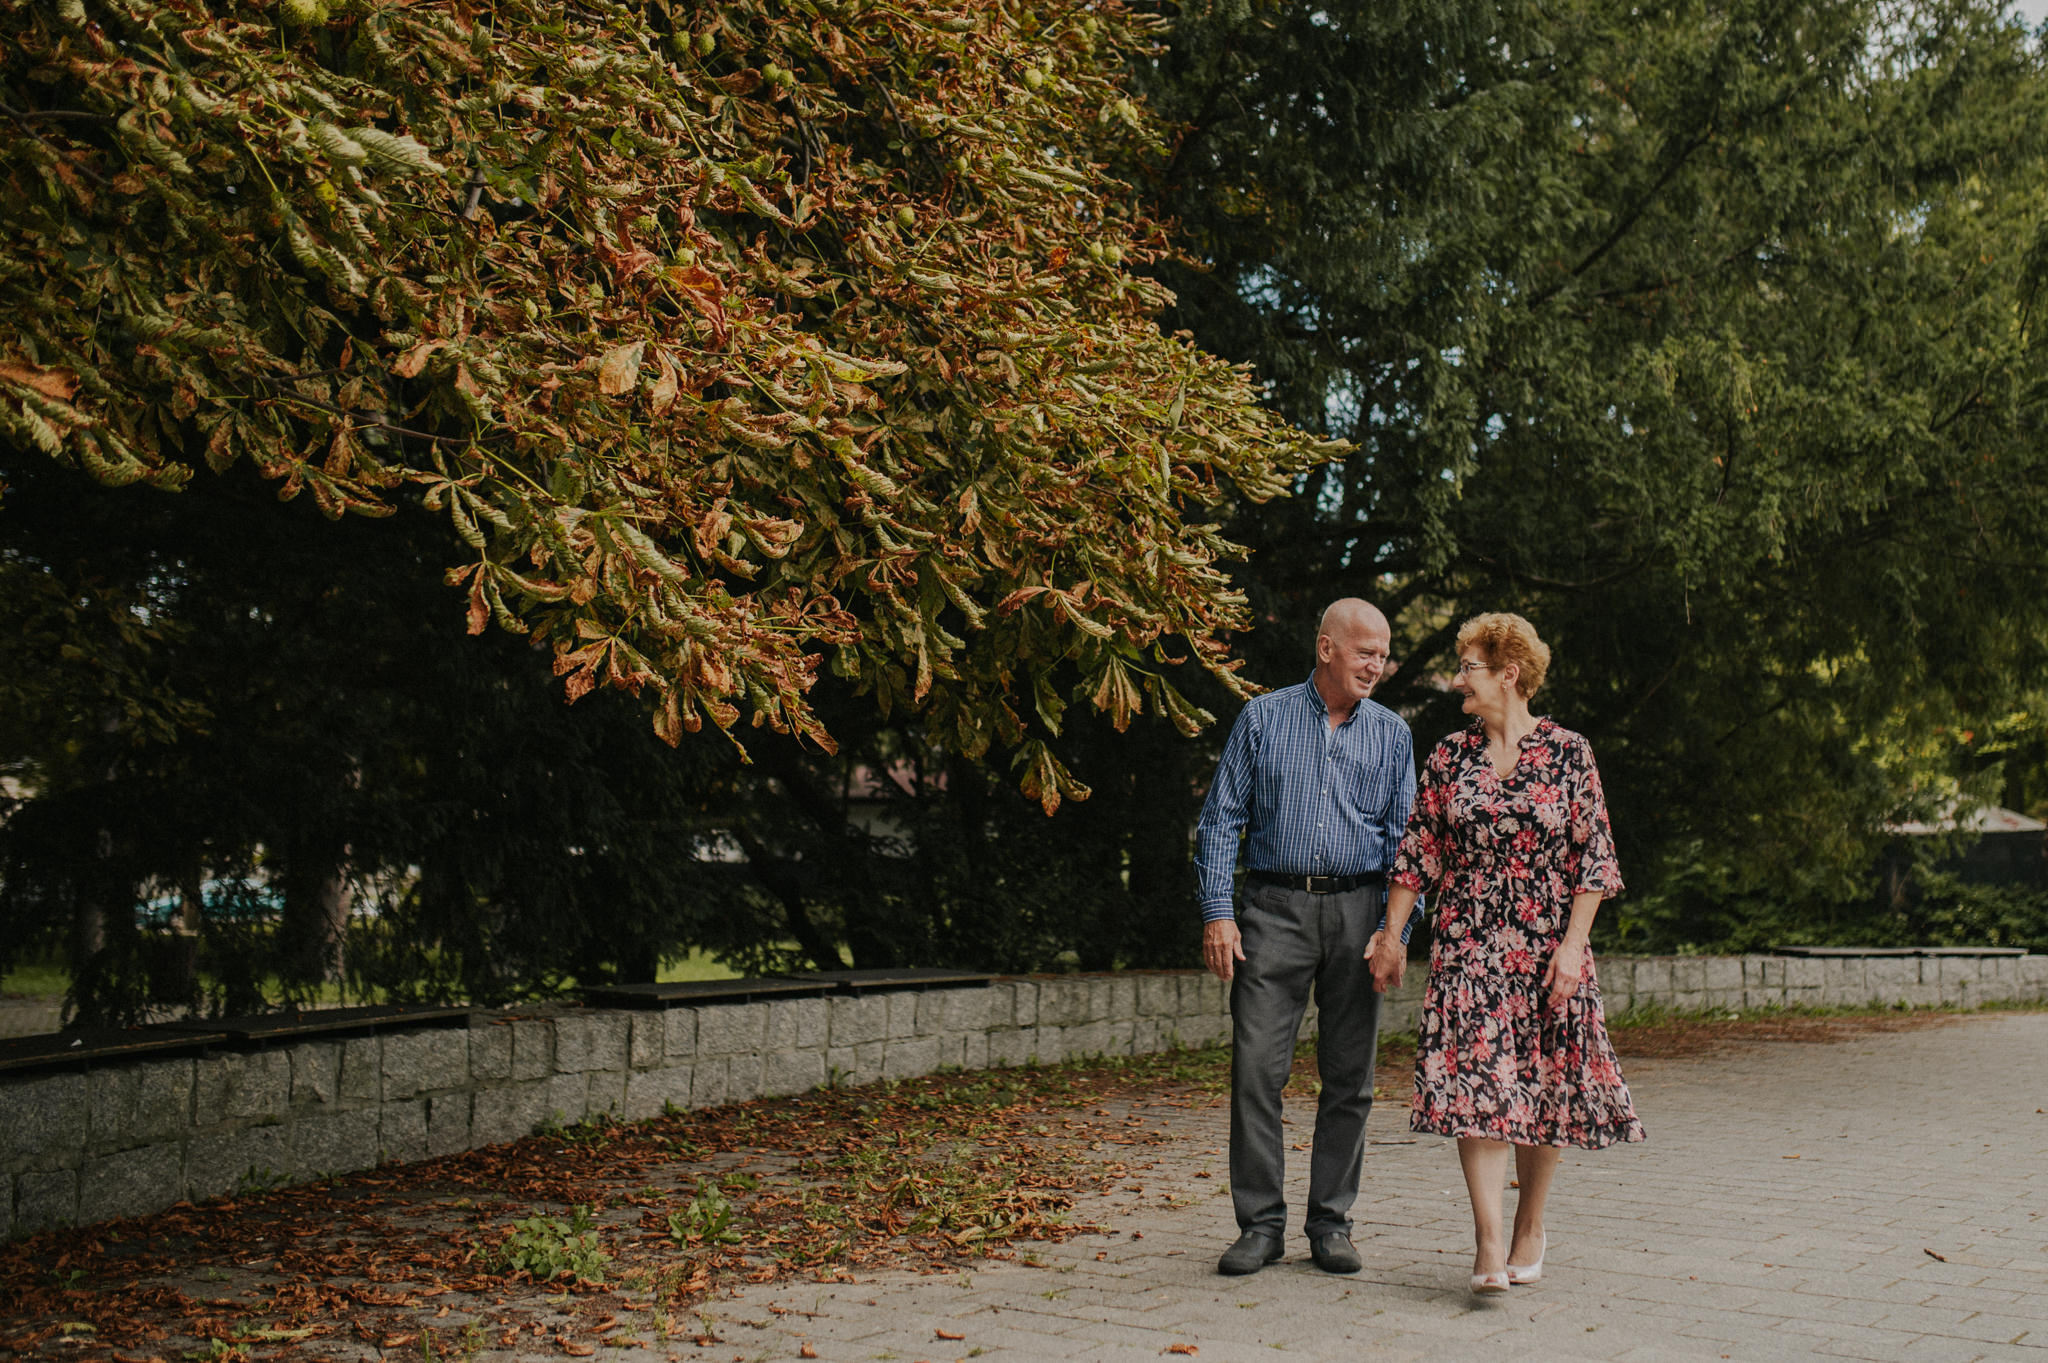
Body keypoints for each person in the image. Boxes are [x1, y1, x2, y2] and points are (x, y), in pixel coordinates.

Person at [1368, 611, 1644, 1297]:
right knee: (1479, 1087)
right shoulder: (1448, 756)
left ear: (1507, 673)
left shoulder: (1568, 752)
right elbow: (1418, 851)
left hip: (1548, 949)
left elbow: (1595, 858)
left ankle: (1530, 1225)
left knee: (1543, 1088)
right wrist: (1393, 934)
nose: (1458, 678)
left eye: (1468, 666)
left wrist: (1574, 947)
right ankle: (1489, 1239)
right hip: (1469, 947)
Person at [1194, 598, 1417, 1277]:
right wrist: (1217, 910)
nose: (1376, 663)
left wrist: (1394, 931)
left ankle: (1331, 1223)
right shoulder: (1261, 718)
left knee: (1350, 1077)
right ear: (1326, 648)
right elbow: (1220, 819)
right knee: (1256, 1068)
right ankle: (1260, 1225)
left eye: (1382, 652)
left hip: (1360, 914)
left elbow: (1411, 841)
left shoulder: (1392, 733)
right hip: (1274, 907)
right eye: (1364, 650)